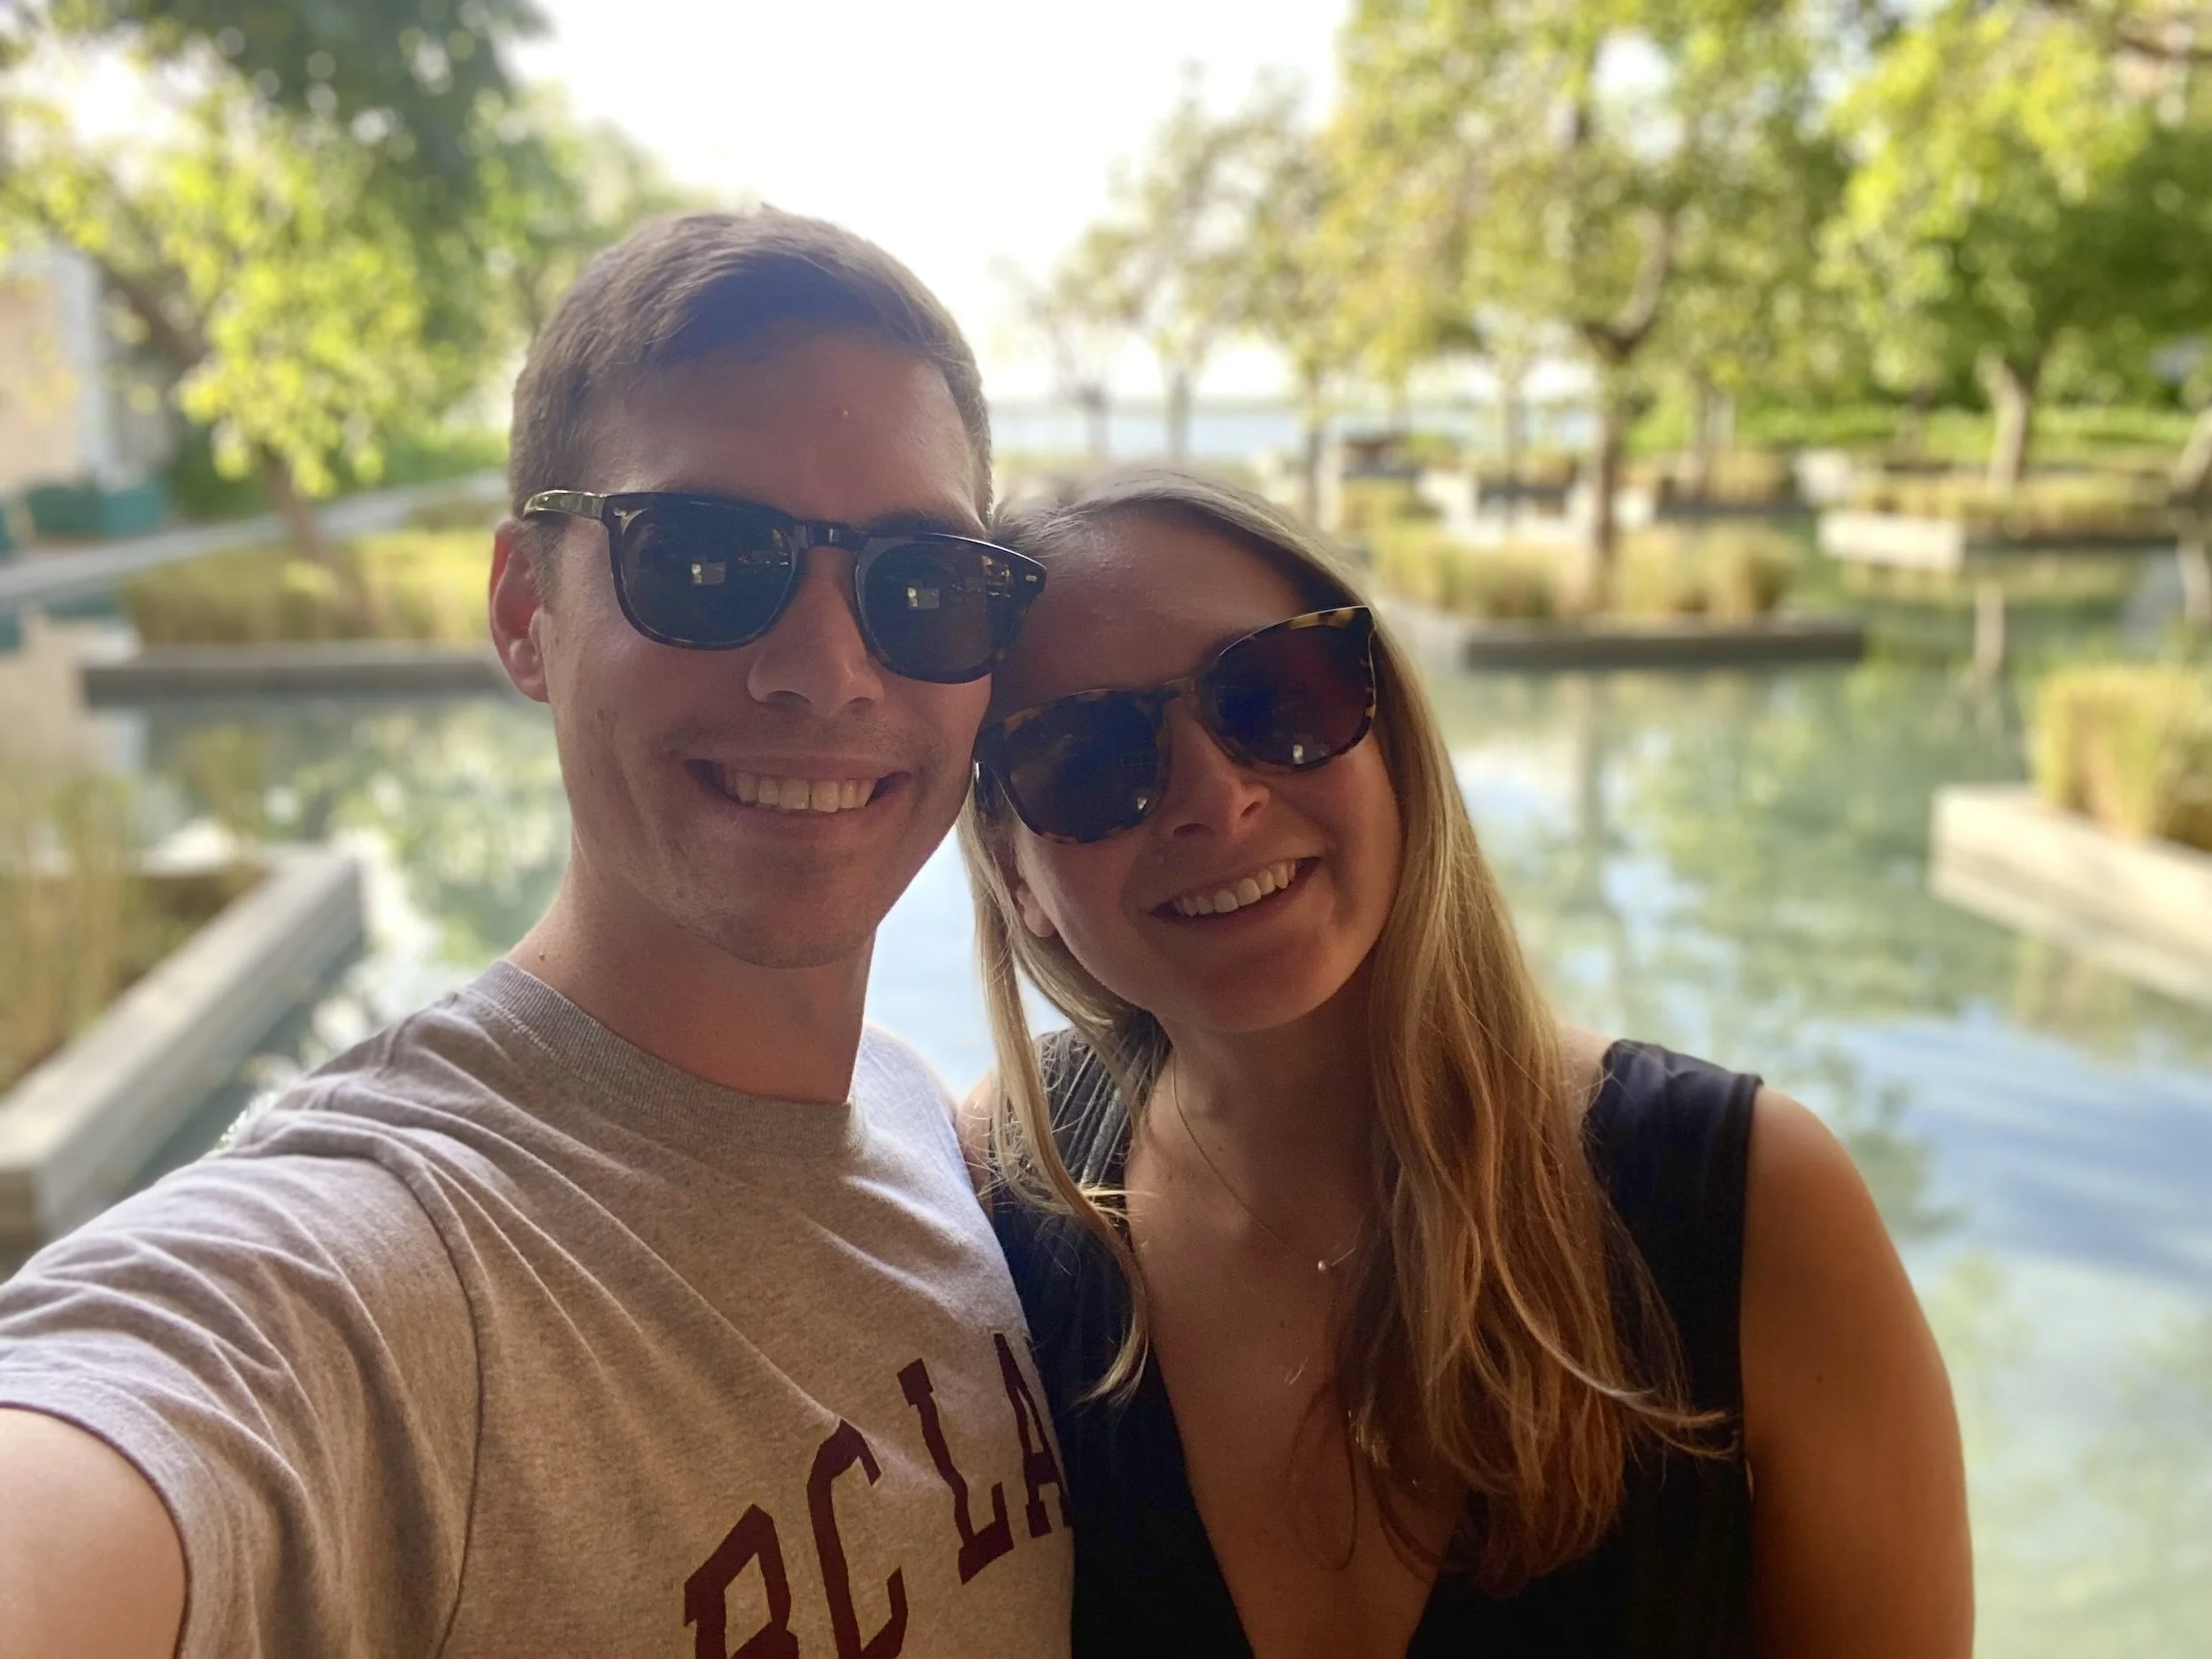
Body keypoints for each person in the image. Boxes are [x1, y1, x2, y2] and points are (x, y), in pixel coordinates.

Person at [0, 211, 1075, 1657]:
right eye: (704, 559)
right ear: (524, 609)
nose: (827, 671)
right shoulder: (386, 1271)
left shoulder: (920, 1121)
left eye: (921, 581)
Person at [958, 469, 1973, 1658]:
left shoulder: (1752, 1207)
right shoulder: (1009, 1197)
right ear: (1015, 870)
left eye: (1275, 692)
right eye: (1086, 755)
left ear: (1388, 728)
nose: (1216, 798)